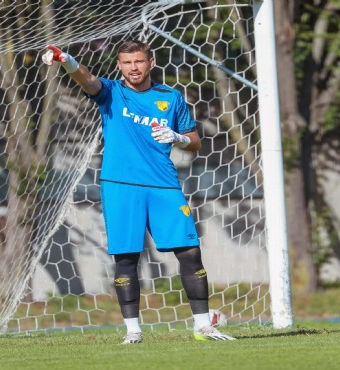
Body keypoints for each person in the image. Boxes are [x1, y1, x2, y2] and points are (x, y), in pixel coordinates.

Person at [43, 40, 236, 343]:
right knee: (126, 258)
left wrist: (178, 138)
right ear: (119, 65)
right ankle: (133, 331)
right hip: (120, 186)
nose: (133, 68)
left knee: (189, 251)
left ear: (151, 62)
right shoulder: (110, 93)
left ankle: (203, 325)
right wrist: (66, 59)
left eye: (139, 62)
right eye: (127, 62)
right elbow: (86, 79)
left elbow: (195, 140)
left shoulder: (171, 97)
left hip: (163, 184)